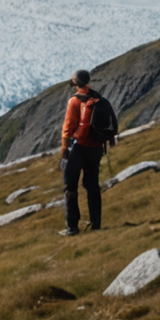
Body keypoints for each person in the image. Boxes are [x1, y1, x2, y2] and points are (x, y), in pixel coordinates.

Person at [59, 68, 115, 235]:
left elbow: (68, 128)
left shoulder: (74, 101)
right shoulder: (98, 98)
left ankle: (72, 227)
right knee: (92, 186)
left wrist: (64, 148)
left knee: (71, 187)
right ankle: (96, 223)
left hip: (79, 147)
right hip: (96, 147)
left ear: (76, 84)